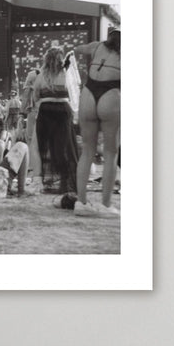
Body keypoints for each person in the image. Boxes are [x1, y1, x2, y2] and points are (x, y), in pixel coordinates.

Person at [73, 28, 121, 217]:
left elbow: (77, 48)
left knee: (87, 150)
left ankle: (81, 202)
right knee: (110, 152)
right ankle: (105, 205)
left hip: (88, 94)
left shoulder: (97, 46)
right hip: (112, 95)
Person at [32, 46, 79, 202]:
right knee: (65, 148)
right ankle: (66, 182)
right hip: (63, 111)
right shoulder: (66, 74)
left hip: (46, 111)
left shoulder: (40, 76)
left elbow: (36, 96)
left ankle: (48, 180)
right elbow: (74, 94)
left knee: (46, 147)